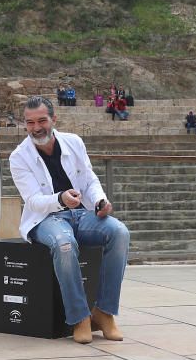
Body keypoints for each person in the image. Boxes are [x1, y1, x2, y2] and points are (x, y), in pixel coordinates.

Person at [9, 96, 129, 344]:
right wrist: (61, 199)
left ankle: (104, 313)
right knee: (64, 244)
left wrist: (99, 202)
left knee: (119, 232)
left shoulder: (74, 142)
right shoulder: (18, 157)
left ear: (54, 119)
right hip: (45, 220)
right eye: (30, 123)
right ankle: (79, 318)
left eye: (42, 120)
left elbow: (89, 180)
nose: (36, 127)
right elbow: (33, 201)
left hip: (81, 214)